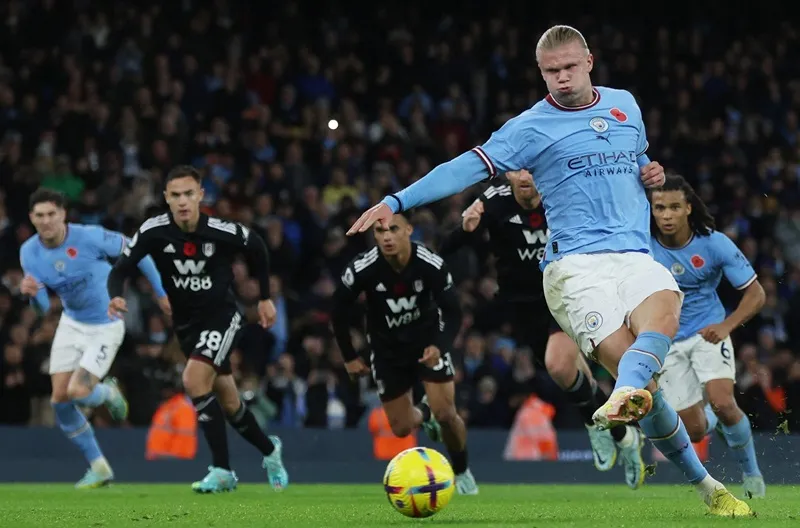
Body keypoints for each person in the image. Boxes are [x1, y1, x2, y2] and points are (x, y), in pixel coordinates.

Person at [347, 25, 752, 516]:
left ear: (589, 61)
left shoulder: (625, 105)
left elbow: (638, 159)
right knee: (645, 386)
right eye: (551, 71)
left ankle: (638, 407)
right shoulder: (529, 127)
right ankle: (703, 481)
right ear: (541, 73)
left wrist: (652, 172)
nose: (562, 78)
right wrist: (396, 200)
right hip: (575, 268)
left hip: (634, 255)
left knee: (664, 313)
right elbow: (462, 168)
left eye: (569, 67)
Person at [440, 170, 646, 489]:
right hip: (523, 306)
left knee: (559, 364)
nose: (525, 176)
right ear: (508, 173)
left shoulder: (565, 194)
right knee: (571, 376)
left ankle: (600, 426)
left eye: (533, 168)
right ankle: (623, 436)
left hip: (566, 291)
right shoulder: (494, 202)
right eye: (518, 169)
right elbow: (449, 247)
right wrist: (465, 229)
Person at [107, 165, 288, 493]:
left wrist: (264, 298)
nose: (182, 201)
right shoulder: (153, 231)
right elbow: (120, 269)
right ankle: (269, 449)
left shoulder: (219, 229)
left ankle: (222, 470)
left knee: (192, 379)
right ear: (166, 198)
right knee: (230, 404)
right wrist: (116, 295)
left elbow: (257, 246)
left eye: (189, 194)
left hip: (222, 317)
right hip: (186, 326)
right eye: (175, 195)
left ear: (200, 195)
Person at [19, 188, 169, 488]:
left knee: (77, 391)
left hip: (106, 324)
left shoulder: (89, 237)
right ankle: (99, 467)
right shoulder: (29, 252)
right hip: (71, 323)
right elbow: (44, 308)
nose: (46, 221)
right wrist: (33, 296)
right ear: (32, 218)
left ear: (63, 214)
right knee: (60, 401)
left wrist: (161, 293)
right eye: (40, 215)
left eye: (51, 214)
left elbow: (136, 250)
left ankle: (109, 393)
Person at [331, 211, 479, 495]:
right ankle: (425, 413)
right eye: (380, 231)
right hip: (387, 352)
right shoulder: (362, 268)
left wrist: (439, 346)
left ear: (409, 230)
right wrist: (349, 356)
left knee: (447, 414)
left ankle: (462, 472)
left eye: (393, 229)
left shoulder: (429, 263)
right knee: (401, 428)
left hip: (427, 343)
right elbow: (338, 312)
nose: (387, 237)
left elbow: (453, 312)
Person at [650, 174, 766, 498]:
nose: (667, 215)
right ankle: (712, 417)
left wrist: (727, 326)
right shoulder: (642, 246)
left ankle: (752, 473)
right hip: (667, 341)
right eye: (660, 208)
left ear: (688, 208)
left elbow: (756, 293)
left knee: (724, 401)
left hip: (708, 332)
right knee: (696, 430)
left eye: (674, 207)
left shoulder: (714, 243)